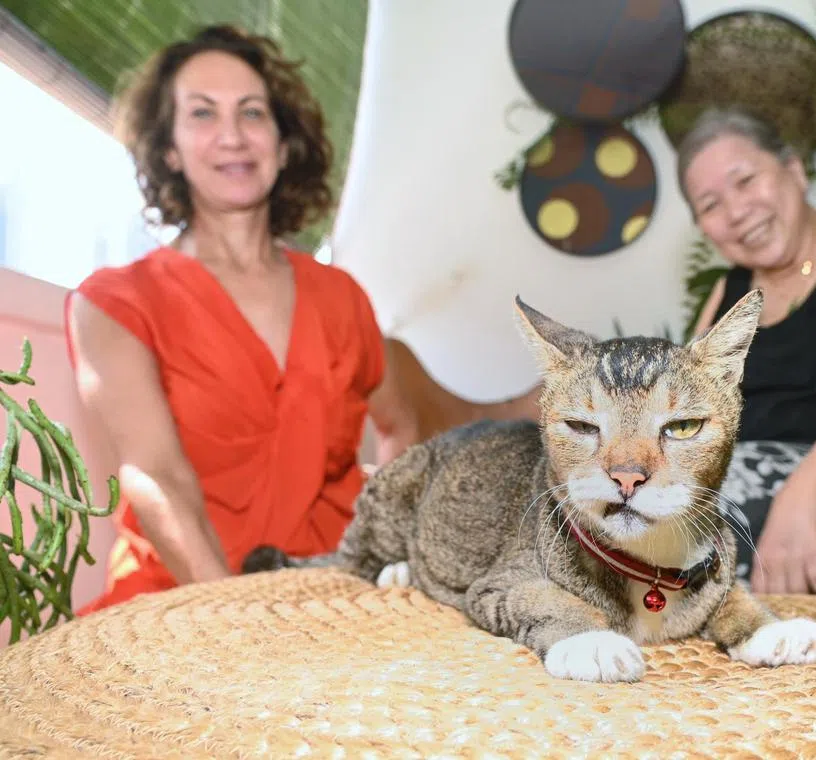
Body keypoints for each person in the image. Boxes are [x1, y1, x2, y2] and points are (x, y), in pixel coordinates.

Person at [65, 25, 535, 614]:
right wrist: (237, 619)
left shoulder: (342, 297)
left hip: (331, 599)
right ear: (169, 149)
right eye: (203, 114)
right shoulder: (114, 302)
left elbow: (401, 427)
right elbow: (157, 475)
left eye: (253, 113)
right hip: (180, 603)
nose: (232, 135)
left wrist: (381, 559)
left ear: (283, 145)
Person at [678, 107, 816, 597]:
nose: (737, 211)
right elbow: (687, 400)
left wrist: (802, 496)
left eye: (745, 180)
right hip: (730, 477)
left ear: (796, 170)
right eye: (711, 204)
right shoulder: (729, 291)